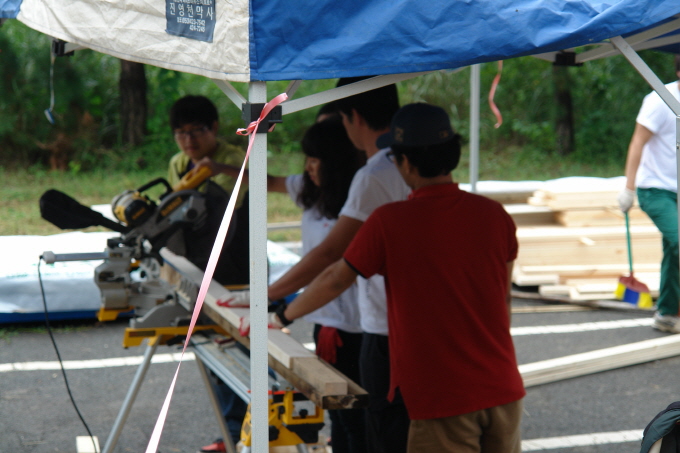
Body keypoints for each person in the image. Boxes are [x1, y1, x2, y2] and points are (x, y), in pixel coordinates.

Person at [269, 103, 526, 453]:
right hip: (503, 388)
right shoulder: (495, 215)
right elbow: (503, 299)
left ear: (404, 162)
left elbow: (335, 278)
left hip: (442, 396)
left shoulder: (389, 221)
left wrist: (282, 316)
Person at [267, 77, 412, 453]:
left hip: (380, 328)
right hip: (409, 323)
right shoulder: (409, 164)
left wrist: (276, 308)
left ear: (353, 117)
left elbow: (332, 260)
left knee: (370, 430)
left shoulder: (373, 176)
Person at [167, 95, 249, 453]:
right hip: (200, 266)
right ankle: (231, 435)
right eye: (181, 133)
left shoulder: (237, 156)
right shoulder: (177, 163)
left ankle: (250, 432)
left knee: (244, 351)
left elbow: (242, 193)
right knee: (215, 355)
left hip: (237, 263)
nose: (189, 140)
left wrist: (218, 170)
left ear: (214, 128)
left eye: (196, 131)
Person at [618, 57, 680, 334]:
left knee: (673, 250)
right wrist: (629, 188)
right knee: (679, 242)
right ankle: (668, 312)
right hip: (655, 190)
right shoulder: (659, 100)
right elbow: (637, 142)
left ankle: (667, 313)